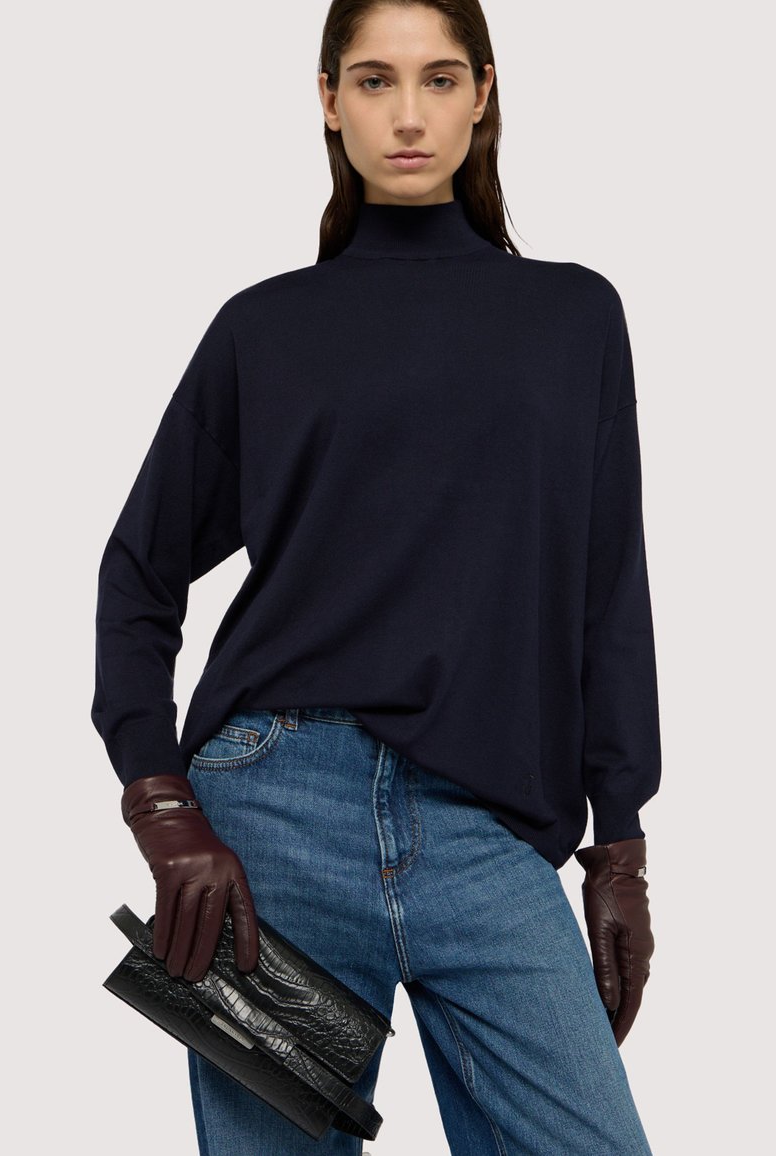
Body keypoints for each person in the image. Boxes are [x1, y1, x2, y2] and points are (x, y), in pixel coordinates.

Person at [91, 2, 661, 1153]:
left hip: (487, 819)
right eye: (372, 80)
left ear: (482, 94)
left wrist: (620, 844)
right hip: (271, 814)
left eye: (438, 79)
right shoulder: (262, 329)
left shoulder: (573, 316)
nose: (407, 115)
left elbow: (606, 591)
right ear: (327, 100)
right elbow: (138, 572)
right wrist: (159, 801)